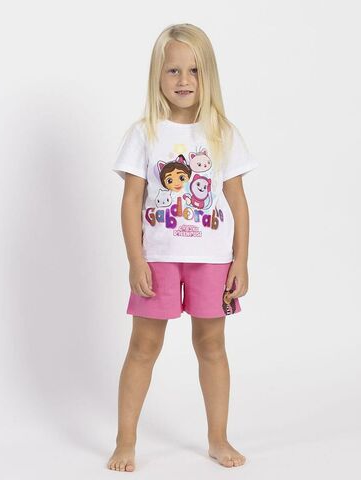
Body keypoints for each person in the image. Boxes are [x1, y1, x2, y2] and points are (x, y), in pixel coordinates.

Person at [108, 23, 259, 472]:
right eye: (173, 70)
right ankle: (125, 441)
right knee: (143, 346)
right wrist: (136, 258)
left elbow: (238, 202)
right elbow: (131, 200)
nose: (183, 80)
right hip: (157, 259)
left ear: (208, 75)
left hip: (212, 260)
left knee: (212, 345)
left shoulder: (223, 133)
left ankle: (218, 438)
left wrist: (241, 260)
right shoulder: (145, 133)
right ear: (158, 75)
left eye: (194, 70)